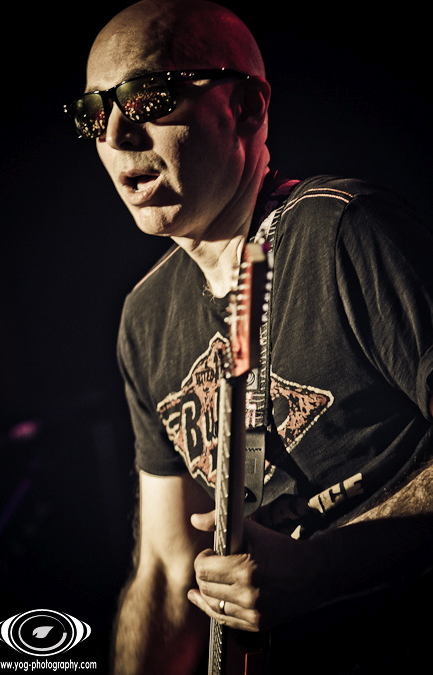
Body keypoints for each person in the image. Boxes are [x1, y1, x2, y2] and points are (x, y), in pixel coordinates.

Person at [64, 0, 433, 673]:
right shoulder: (145, 317)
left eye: (150, 97)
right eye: (94, 112)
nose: (116, 133)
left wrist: (325, 565)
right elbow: (164, 569)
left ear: (246, 108)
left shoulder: (346, 232)